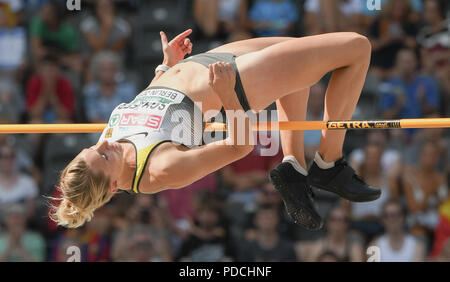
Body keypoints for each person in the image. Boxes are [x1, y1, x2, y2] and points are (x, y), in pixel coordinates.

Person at [50, 29, 381, 231]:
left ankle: (294, 166)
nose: (104, 145)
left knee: (301, 54)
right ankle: (328, 162)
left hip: (203, 64)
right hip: (231, 83)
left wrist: (165, 67)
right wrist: (226, 93)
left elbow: (147, 109)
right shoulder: (160, 169)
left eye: (92, 148)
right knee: (356, 48)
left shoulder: (103, 150)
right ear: (111, 187)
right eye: (103, 156)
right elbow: (239, 147)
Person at [296, 206, 365, 262]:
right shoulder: (318, 247)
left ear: (347, 224)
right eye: (333, 219)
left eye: (342, 220)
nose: (337, 224)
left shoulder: (354, 248)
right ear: (327, 223)